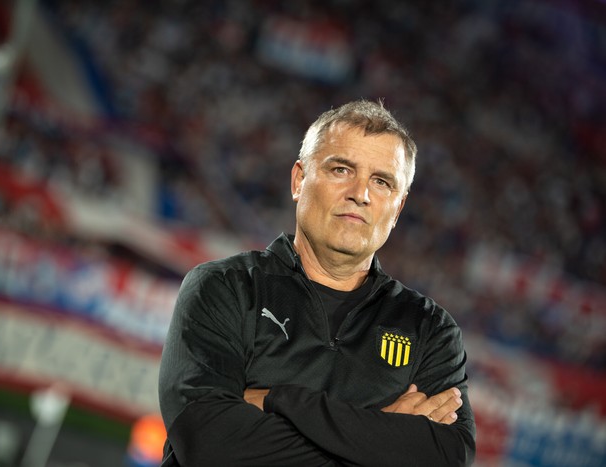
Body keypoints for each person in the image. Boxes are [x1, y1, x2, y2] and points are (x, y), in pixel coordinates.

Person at [158, 99, 476, 466]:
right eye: (341, 170)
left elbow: (448, 458)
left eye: (382, 181)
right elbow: (210, 444)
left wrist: (280, 399)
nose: (361, 194)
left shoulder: (430, 331)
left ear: (398, 208)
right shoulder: (224, 287)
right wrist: (382, 433)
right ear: (299, 180)